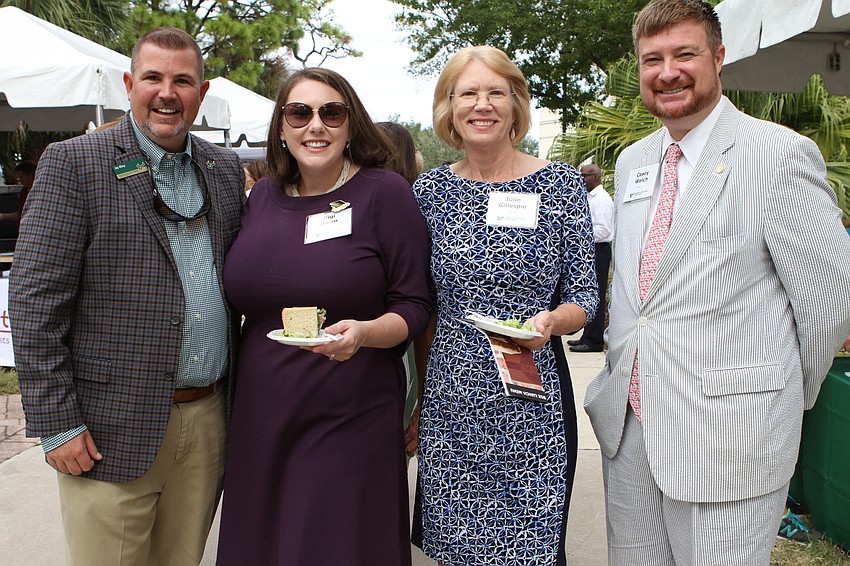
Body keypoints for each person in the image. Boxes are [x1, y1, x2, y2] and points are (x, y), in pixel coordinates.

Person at [583, 1, 850, 564]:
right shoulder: (633, 162)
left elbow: (828, 301)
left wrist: (773, 397)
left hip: (729, 440)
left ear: (718, 57)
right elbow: (638, 292)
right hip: (630, 434)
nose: (668, 72)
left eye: (684, 54)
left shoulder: (778, 154)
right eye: (652, 59)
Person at [8, 27, 244, 566]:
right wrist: (57, 424)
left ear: (202, 93)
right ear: (129, 84)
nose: (167, 93)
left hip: (208, 418)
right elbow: (34, 304)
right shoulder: (75, 163)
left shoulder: (224, 170)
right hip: (108, 426)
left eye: (183, 81)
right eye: (153, 77)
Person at [215, 67, 432, 566]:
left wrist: (365, 333)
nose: (316, 125)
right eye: (299, 113)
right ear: (282, 127)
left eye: (332, 113)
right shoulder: (261, 197)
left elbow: (414, 304)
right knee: (264, 546)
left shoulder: (384, 193)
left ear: (351, 125)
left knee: (332, 545)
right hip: (262, 411)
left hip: (349, 410)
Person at [408, 45, 598, 565]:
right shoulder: (430, 192)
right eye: (467, 93)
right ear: (449, 108)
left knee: (530, 548)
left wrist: (552, 320)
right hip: (453, 399)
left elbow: (585, 296)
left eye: (496, 92)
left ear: (516, 105)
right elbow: (420, 303)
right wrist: (418, 396)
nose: (482, 104)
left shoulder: (559, 185)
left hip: (533, 399)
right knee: (457, 548)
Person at [568, 163, 613, 353]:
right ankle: (587, 336)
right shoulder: (588, 197)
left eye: (583, 176)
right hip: (589, 249)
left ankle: (594, 340)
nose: (580, 180)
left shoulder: (601, 199)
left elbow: (604, 230)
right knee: (588, 293)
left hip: (598, 250)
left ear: (595, 177)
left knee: (597, 294)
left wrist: (579, 235)